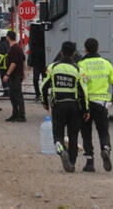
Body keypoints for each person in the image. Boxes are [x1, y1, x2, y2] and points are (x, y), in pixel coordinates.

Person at [41, 41, 89, 173]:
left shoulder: (52, 67)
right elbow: (84, 92)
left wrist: (44, 102)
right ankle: (72, 163)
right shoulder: (79, 70)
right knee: (73, 136)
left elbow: (44, 86)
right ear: (74, 54)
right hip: (74, 106)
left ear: (61, 52)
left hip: (58, 105)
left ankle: (60, 148)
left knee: (58, 133)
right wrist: (86, 110)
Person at [78, 38, 113, 172]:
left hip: (86, 103)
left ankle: (89, 162)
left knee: (86, 132)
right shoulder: (106, 63)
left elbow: (78, 86)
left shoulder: (81, 64)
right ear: (97, 48)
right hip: (102, 103)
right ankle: (105, 148)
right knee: (103, 130)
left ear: (85, 49)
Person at [3, 31, 26, 122]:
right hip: (17, 74)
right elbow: (23, 60)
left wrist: (7, 74)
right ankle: (15, 114)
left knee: (17, 95)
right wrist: (23, 72)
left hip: (15, 76)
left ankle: (21, 115)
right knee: (13, 95)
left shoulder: (14, 48)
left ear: (8, 37)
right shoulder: (17, 47)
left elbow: (14, 63)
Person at [0, 30, 10, 97]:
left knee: (3, 79)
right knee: (8, 78)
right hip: (9, 64)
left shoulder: (1, 44)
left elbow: (0, 56)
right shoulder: (9, 43)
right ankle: (10, 91)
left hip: (3, 65)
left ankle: (6, 92)